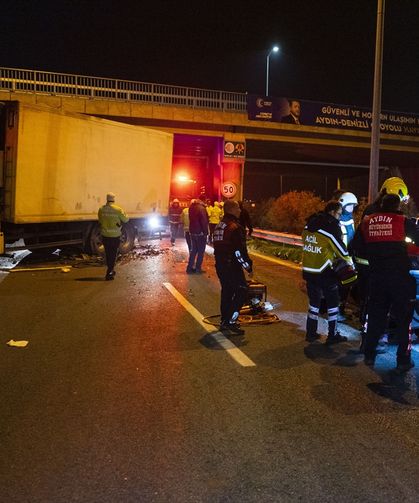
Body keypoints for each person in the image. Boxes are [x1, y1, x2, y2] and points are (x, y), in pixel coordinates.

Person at [353, 194, 419, 373]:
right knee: (404, 320)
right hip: (399, 279)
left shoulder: (368, 221)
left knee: (376, 317)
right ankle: (403, 361)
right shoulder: (402, 221)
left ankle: (369, 354)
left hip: (377, 277)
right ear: (397, 206)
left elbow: (355, 247)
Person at [302, 200, 353, 344]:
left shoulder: (309, 224)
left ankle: (311, 333)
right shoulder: (331, 227)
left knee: (314, 304)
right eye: (338, 214)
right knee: (333, 304)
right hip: (325, 271)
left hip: (309, 271)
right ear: (332, 212)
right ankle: (332, 334)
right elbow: (342, 251)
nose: (339, 217)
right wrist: (350, 263)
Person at [213, 199, 253, 335]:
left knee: (227, 292)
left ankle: (224, 320)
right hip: (232, 266)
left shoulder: (220, 225)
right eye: (237, 208)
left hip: (220, 265)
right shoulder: (235, 227)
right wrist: (248, 266)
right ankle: (231, 321)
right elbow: (239, 252)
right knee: (242, 290)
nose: (240, 211)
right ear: (231, 210)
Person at [98, 192, 129, 281]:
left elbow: (100, 221)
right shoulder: (118, 209)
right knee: (113, 254)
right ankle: (110, 272)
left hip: (105, 235)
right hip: (115, 236)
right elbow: (126, 220)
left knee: (108, 254)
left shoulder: (101, 209)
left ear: (106, 199)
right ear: (114, 199)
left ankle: (110, 269)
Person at [337, 192, 358, 322]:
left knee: (347, 285)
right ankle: (337, 311)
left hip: (348, 257)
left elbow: (352, 237)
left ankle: (341, 308)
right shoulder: (337, 221)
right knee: (341, 286)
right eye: (349, 206)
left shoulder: (350, 220)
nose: (351, 209)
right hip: (340, 258)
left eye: (353, 206)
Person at [186, 196, 209, 273]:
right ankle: (198, 269)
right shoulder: (202, 208)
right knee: (201, 251)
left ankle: (189, 268)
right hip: (200, 233)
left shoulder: (191, 207)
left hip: (192, 232)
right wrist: (205, 232)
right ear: (203, 200)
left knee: (193, 251)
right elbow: (204, 222)